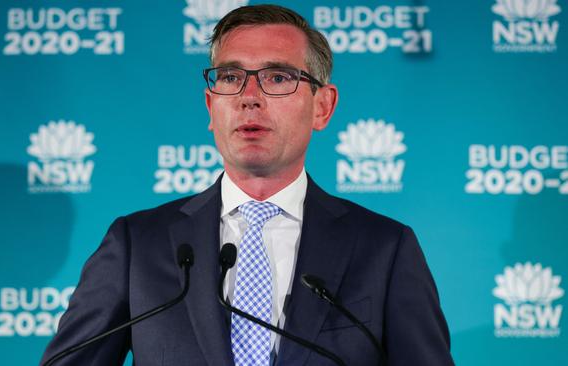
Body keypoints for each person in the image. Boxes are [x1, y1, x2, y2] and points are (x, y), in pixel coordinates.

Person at [40, 4, 454, 366]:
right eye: (230, 77)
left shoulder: (384, 248)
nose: (248, 96)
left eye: (277, 77)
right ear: (211, 105)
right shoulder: (137, 245)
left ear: (322, 106)